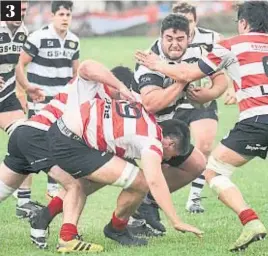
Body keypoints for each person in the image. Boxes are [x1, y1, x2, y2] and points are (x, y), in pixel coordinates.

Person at [135, 1, 268, 252]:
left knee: (214, 170)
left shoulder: (230, 45)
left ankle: (250, 222)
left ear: (243, 23)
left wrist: (157, 65)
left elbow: (189, 74)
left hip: (258, 120)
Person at [0, 60, 136, 252]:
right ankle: (68, 238)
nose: (124, 98)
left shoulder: (108, 104)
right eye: (124, 91)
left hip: (26, 134)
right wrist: (121, 86)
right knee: (75, 185)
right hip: (40, 134)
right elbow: (87, 66)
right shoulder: (92, 84)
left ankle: (41, 222)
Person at [131, 13, 227, 233]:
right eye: (169, 38)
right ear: (162, 37)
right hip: (141, 126)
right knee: (151, 172)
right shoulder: (150, 58)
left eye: (180, 39)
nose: (174, 44)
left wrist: (208, 94)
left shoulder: (198, 51)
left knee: (197, 164)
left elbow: (220, 78)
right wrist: (183, 78)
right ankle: (131, 216)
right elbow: (151, 104)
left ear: (189, 38)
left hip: (167, 124)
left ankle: (147, 203)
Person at [15, 1, 80, 207]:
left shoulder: (74, 41)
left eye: (68, 14)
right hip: (40, 102)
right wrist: (23, 90)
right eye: (61, 14)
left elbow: (76, 73)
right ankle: (23, 197)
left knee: (59, 146)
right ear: (52, 16)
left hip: (62, 105)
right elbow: (20, 63)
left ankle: (52, 192)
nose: (64, 18)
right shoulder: (38, 37)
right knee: (31, 147)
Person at [172, 2, 226, 214]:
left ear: (196, 20)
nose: (185, 28)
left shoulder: (212, 39)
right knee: (168, 155)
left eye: (189, 22)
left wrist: (228, 88)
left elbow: (230, 61)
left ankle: (194, 198)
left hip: (202, 101)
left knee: (204, 146)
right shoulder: (166, 41)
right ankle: (150, 201)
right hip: (174, 103)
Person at [0, 0, 45, 218]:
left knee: (26, 138)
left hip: (5, 99)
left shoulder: (22, 31)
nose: (21, 14)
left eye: (24, 10)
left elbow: (16, 63)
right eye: (17, 9)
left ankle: (23, 201)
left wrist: (26, 87)